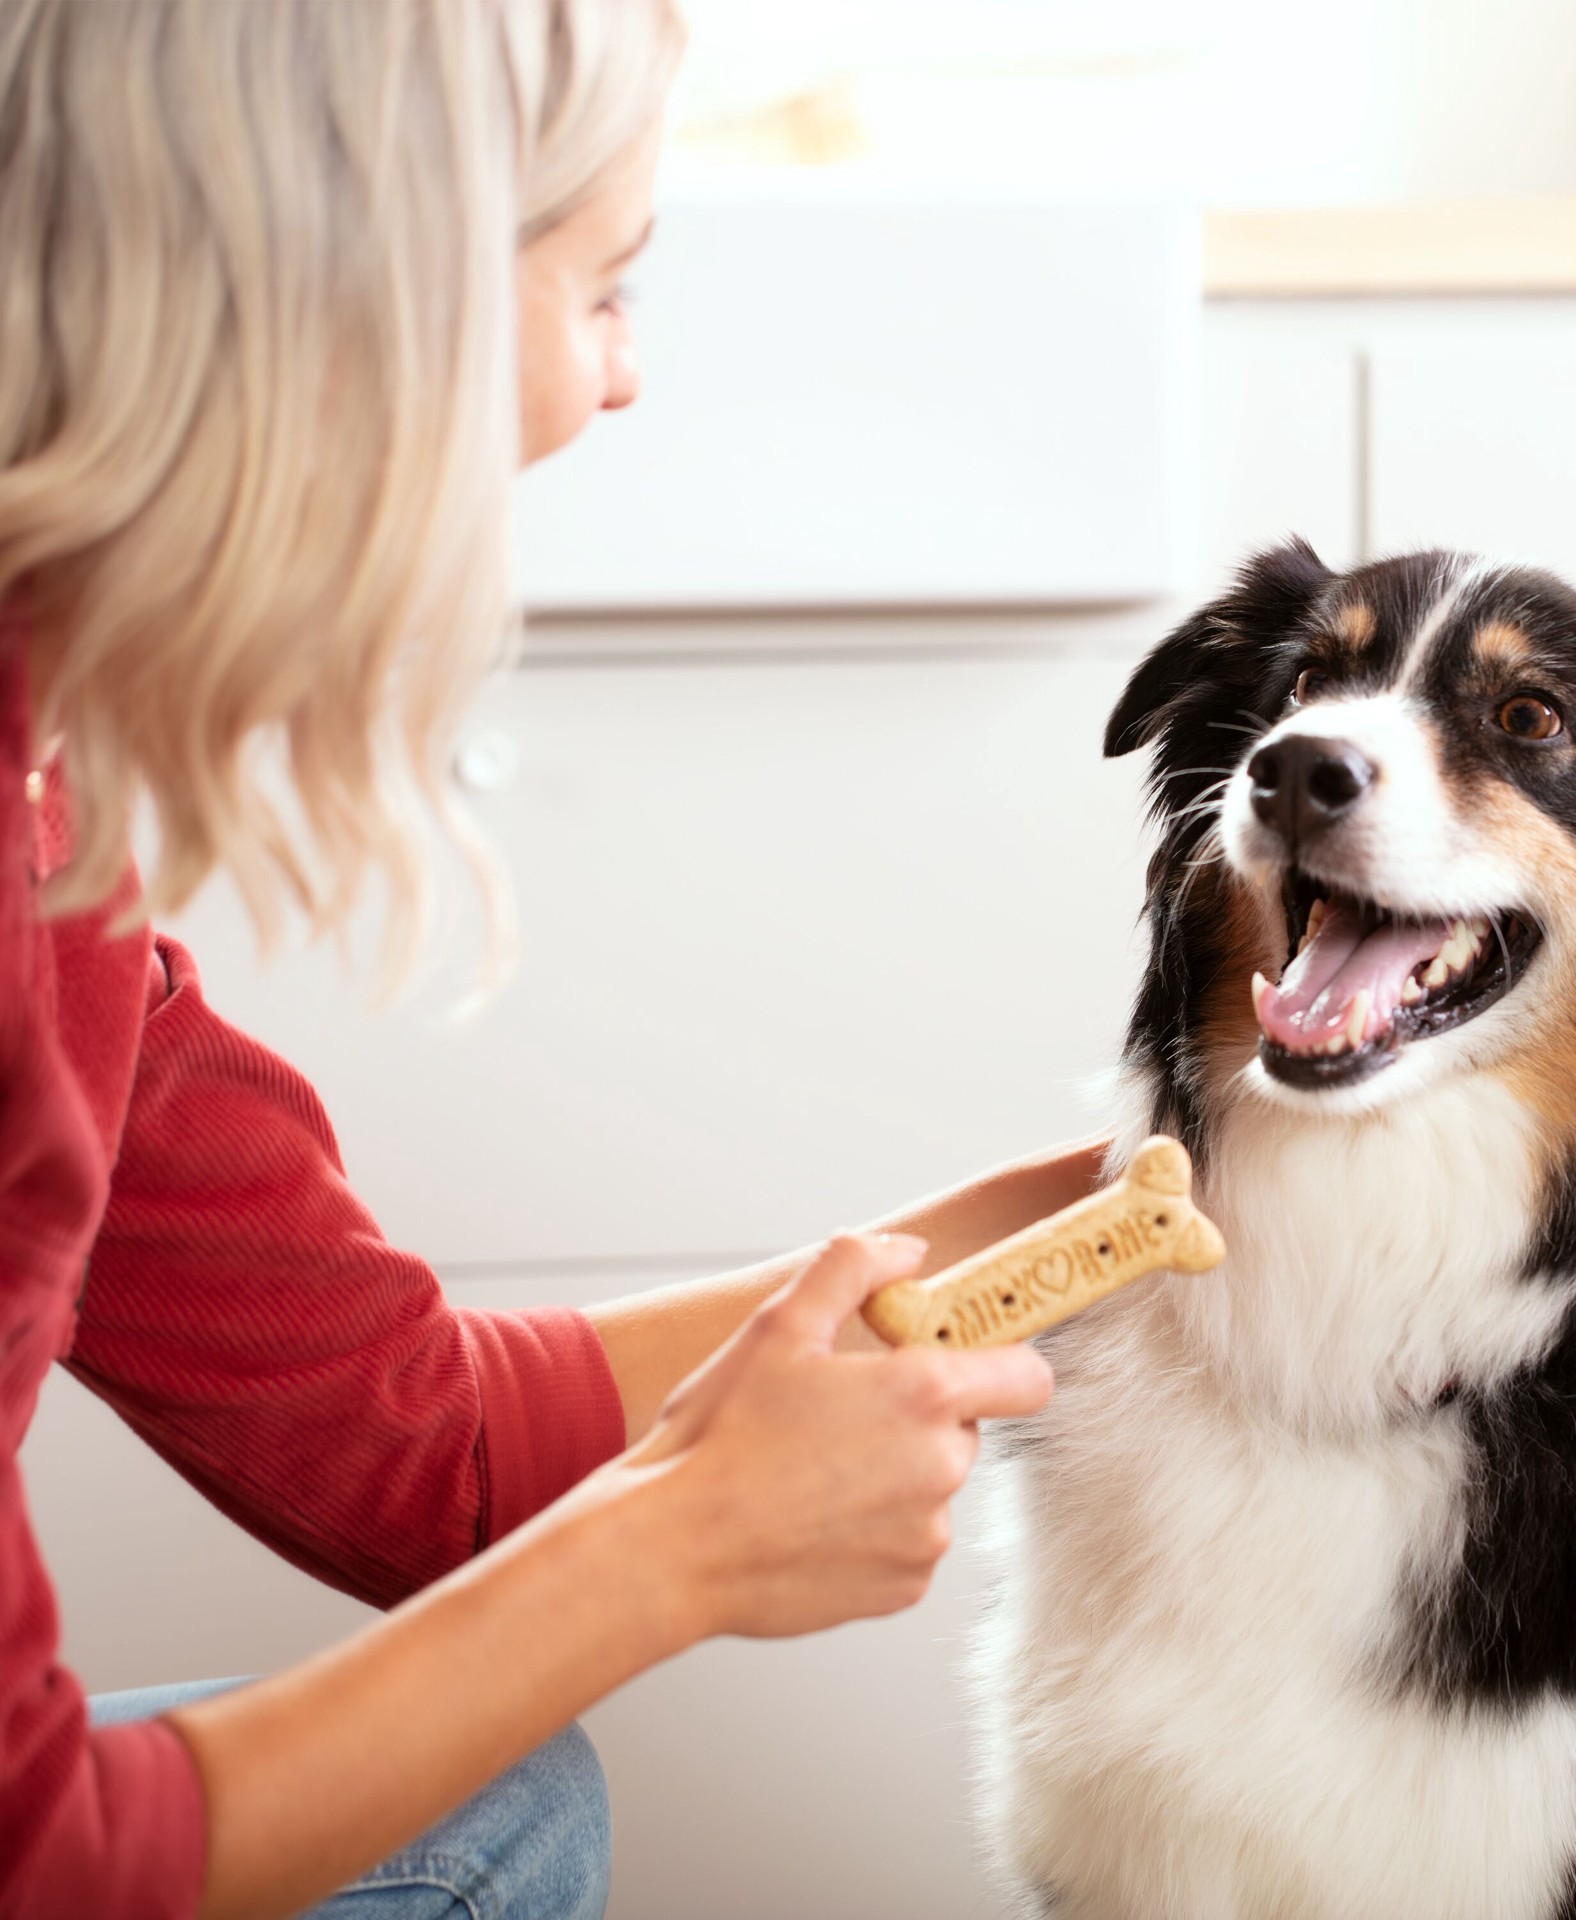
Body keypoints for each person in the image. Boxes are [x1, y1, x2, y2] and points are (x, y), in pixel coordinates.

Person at [0, 3, 1097, 1915]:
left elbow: (416, 1437)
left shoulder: (54, 825)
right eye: (603, 289)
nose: (618, 387)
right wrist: (676, 1554)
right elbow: (49, 1859)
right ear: (355, 312)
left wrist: (1063, 1225)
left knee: (503, 1808)